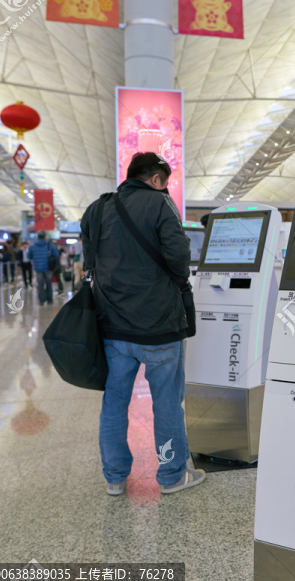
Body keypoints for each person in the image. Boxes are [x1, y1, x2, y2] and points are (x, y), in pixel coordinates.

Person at [80, 151, 200, 496]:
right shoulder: (161, 205)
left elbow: (90, 261)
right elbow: (179, 257)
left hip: (113, 328)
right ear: (157, 179)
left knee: (114, 401)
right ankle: (172, 476)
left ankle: (115, 478)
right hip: (160, 325)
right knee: (166, 402)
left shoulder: (98, 208)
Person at [27, 232, 58, 304]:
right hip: (48, 268)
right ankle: (49, 300)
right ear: (45, 237)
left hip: (38, 268)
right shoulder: (50, 245)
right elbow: (56, 255)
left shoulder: (32, 246)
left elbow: (29, 256)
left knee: (40, 285)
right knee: (49, 284)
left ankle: (41, 300)